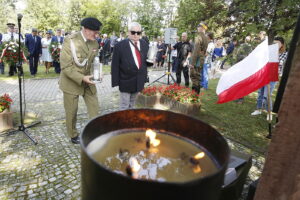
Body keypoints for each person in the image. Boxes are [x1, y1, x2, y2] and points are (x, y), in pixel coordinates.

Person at [59, 17, 102, 144]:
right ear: (85, 29)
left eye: (97, 32)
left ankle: (95, 132)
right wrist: (82, 78)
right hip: (71, 81)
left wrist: (99, 73)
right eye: (94, 32)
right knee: (71, 111)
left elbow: (94, 61)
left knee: (95, 107)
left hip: (89, 80)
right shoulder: (70, 41)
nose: (97, 34)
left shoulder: (94, 42)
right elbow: (65, 66)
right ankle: (73, 135)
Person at [111, 22, 149, 110]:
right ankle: (123, 123)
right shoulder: (119, 46)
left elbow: (144, 61)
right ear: (128, 32)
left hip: (138, 80)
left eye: (138, 33)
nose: (136, 35)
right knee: (124, 106)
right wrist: (115, 82)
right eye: (133, 32)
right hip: (125, 80)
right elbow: (115, 65)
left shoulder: (144, 44)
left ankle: (130, 121)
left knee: (133, 105)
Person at [251, 36, 288, 118]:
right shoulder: (269, 51)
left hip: (273, 76)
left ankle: (269, 112)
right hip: (264, 74)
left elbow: (281, 63)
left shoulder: (285, 54)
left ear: (282, 44)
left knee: (267, 94)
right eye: (274, 43)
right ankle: (258, 109)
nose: (275, 44)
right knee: (260, 93)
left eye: (277, 43)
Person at [189, 21, 208, 94]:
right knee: (198, 77)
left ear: (202, 28)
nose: (197, 28)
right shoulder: (206, 37)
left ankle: (194, 96)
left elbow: (196, 51)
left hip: (197, 60)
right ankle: (196, 96)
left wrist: (192, 63)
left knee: (194, 77)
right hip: (201, 59)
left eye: (199, 26)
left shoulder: (199, 37)